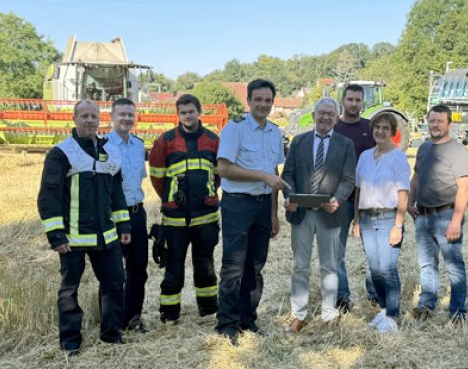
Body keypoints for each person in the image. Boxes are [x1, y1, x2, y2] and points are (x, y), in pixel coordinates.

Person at [37, 100, 132, 354]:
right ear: (75, 119)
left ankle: (111, 335)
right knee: (70, 291)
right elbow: (49, 197)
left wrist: (124, 224)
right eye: (84, 116)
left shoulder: (110, 151)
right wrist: (56, 236)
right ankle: (70, 343)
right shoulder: (62, 153)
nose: (90, 120)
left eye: (93, 116)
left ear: (99, 119)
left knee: (114, 284)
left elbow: (117, 193)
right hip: (73, 239)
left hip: (107, 237)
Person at [214, 78, 288, 344]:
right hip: (237, 204)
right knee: (234, 266)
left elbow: (275, 176)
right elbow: (223, 168)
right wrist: (260, 176)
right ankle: (227, 324)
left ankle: (248, 319)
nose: (263, 105)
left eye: (268, 100)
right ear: (249, 101)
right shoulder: (235, 129)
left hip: (262, 206)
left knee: (255, 266)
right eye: (258, 99)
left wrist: (273, 214)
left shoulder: (275, 132)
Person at [281, 98, 356, 333]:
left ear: (336, 117)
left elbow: (348, 180)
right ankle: (298, 314)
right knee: (300, 266)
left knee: (330, 266)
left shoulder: (346, 144)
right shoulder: (299, 141)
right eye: (321, 113)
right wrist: (290, 196)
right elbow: (288, 174)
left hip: (331, 214)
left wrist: (338, 199)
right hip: (301, 214)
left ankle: (328, 313)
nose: (325, 117)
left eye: (330, 114)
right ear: (313, 115)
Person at [147, 94, 221, 323]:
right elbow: (157, 177)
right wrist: (171, 199)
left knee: (205, 266)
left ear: (199, 112)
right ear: (178, 115)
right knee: (173, 268)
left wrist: (206, 194)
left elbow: (218, 176)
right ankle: (169, 315)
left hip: (206, 217)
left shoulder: (213, 140)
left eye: (191, 111)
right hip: (175, 220)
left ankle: (208, 311)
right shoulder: (165, 141)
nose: (188, 116)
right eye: (183, 112)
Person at [408, 104, 468, 322]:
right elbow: (416, 178)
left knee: (454, 266)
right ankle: (426, 305)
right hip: (422, 216)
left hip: (446, 216)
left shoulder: (459, 152)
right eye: (431, 121)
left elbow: (464, 187)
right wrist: (409, 202)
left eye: (439, 121)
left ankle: (457, 312)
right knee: (427, 264)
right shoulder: (424, 148)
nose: (434, 125)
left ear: (449, 124)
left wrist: (456, 221)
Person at [352, 112, 410, 333]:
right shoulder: (365, 156)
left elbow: (403, 194)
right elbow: (359, 189)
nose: (380, 131)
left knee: (388, 268)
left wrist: (398, 225)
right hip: (367, 218)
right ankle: (384, 309)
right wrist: (356, 219)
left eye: (385, 128)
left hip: (388, 218)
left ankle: (393, 316)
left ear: (393, 133)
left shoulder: (398, 158)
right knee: (375, 269)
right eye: (377, 127)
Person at [332, 84, 378, 312]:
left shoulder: (371, 129)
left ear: (363, 103)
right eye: (350, 99)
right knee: (336, 252)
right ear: (342, 101)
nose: (354, 104)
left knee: (373, 252)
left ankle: (374, 296)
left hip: (368, 200)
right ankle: (342, 298)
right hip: (340, 200)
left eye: (358, 100)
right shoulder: (333, 127)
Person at [107, 98, 151, 333]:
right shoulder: (102, 145)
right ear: (112, 117)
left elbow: (138, 180)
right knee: (112, 272)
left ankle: (133, 317)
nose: (126, 119)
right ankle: (111, 321)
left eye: (130, 115)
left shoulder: (138, 145)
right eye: (121, 114)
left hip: (136, 213)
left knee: (138, 269)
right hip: (111, 217)